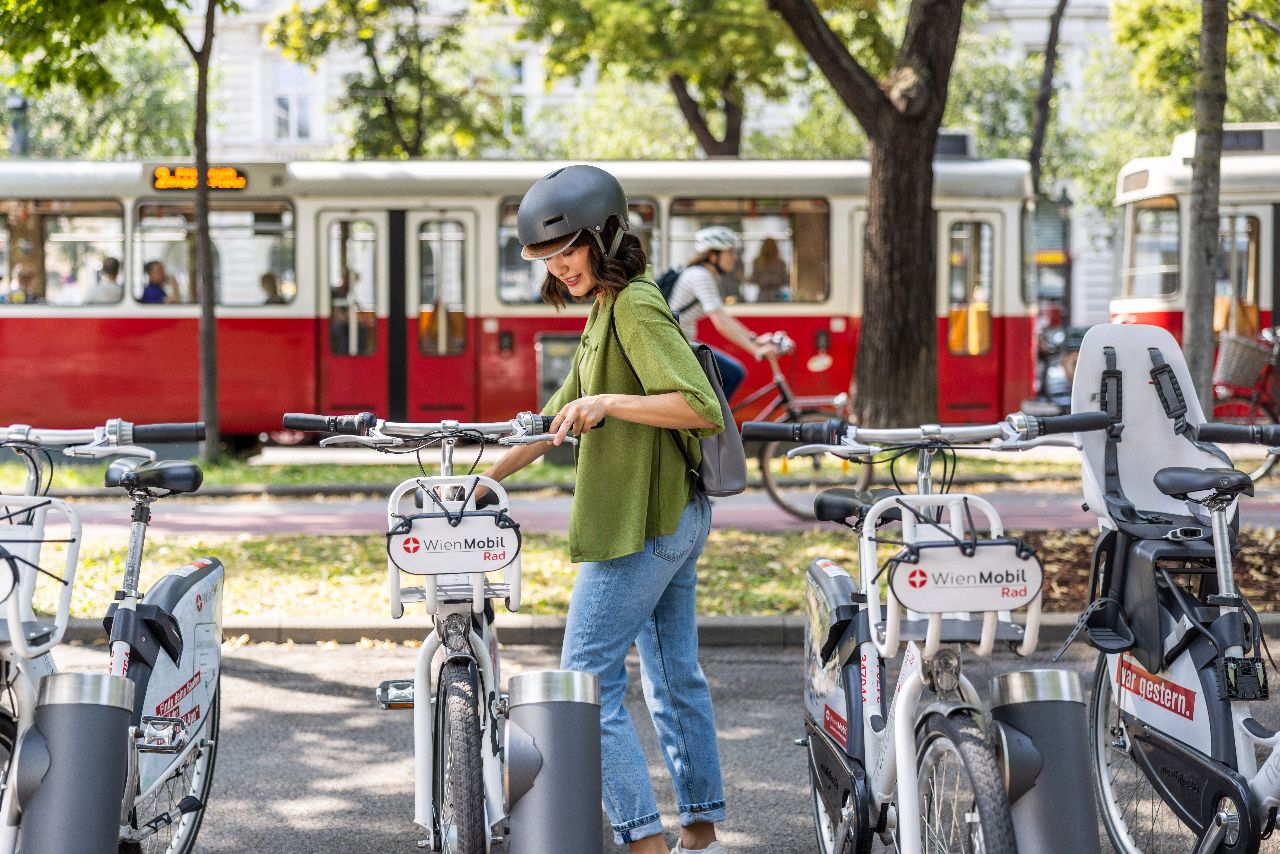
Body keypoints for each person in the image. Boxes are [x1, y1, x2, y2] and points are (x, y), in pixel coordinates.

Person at [483, 164, 729, 854]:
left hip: (638, 524)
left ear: (606, 236)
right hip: (667, 515)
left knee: (585, 686)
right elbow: (555, 416)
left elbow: (700, 409)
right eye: (545, 257)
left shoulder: (637, 306)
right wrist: (480, 482)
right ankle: (701, 832)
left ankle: (643, 842)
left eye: (568, 250)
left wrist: (611, 402)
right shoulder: (604, 312)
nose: (559, 267)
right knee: (673, 678)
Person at [667, 226, 777, 399]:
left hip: (681, 344)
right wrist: (756, 351)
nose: (735, 257)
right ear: (713, 256)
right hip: (676, 347)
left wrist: (755, 339)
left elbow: (723, 316)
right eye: (730, 252)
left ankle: (706, 420)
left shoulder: (703, 274)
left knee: (728, 374)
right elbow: (721, 322)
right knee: (733, 373)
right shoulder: (700, 276)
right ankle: (707, 423)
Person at [748, 237, 789, 301]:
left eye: (771, 246)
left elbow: (785, 280)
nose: (769, 249)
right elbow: (754, 279)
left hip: (777, 296)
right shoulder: (757, 262)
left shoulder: (781, 263)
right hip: (763, 296)